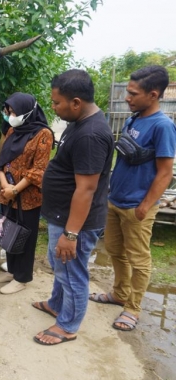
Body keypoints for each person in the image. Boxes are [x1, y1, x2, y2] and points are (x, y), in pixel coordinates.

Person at [89, 65, 176, 332]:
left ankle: (133, 308)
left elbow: (165, 173)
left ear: (153, 95)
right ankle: (119, 293)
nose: (127, 97)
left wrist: (146, 205)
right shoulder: (133, 118)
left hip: (138, 206)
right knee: (115, 250)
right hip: (116, 201)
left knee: (139, 259)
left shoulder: (163, 127)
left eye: (132, 93)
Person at [33, 69, 114, 345]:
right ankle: (57, 304)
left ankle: (68, 325)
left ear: (76, 102)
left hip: (75, 221)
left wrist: (71, 234)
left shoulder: (90, 135)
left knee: (72, 272)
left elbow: (87, 188)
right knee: (60, 266)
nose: (54, 108)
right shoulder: (79, 122)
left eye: (57, 103)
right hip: (62, 214)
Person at [0, 92, 53, 294]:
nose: (10, 116)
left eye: (14, 112)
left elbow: (38, 169)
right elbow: (0, 163)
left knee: (26, 236)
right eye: (8, 112)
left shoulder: (43, 134)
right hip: (7, 194)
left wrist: (15, 189)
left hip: (28, 197)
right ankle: (12, 270)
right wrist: (5, 187)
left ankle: (22, 277)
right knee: (8, 232)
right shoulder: (11, 132)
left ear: (27, 112)